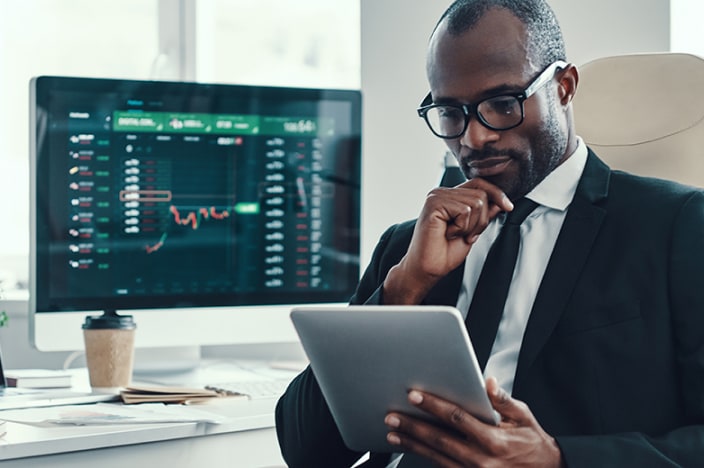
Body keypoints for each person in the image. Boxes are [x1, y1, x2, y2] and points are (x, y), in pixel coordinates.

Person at [275, 0, 704, 466]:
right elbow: (304, 449)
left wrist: (558, 459)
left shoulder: (677, 227)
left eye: (502, 105)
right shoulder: (409, 246)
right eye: (451, 113)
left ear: (564, 87)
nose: (474, 138)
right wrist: (403, 287)